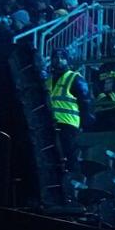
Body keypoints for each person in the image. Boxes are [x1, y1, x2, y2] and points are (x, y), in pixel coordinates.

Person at [43, 48, 94, 201]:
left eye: (62, 57)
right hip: (50, 125)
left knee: (69, 158)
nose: (58, 60)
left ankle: (75, 190)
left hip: (68, 124)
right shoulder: (47, 81)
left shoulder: (75, 78)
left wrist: (85, 124)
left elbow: (86, 103)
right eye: (55, 57)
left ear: (68, 60)